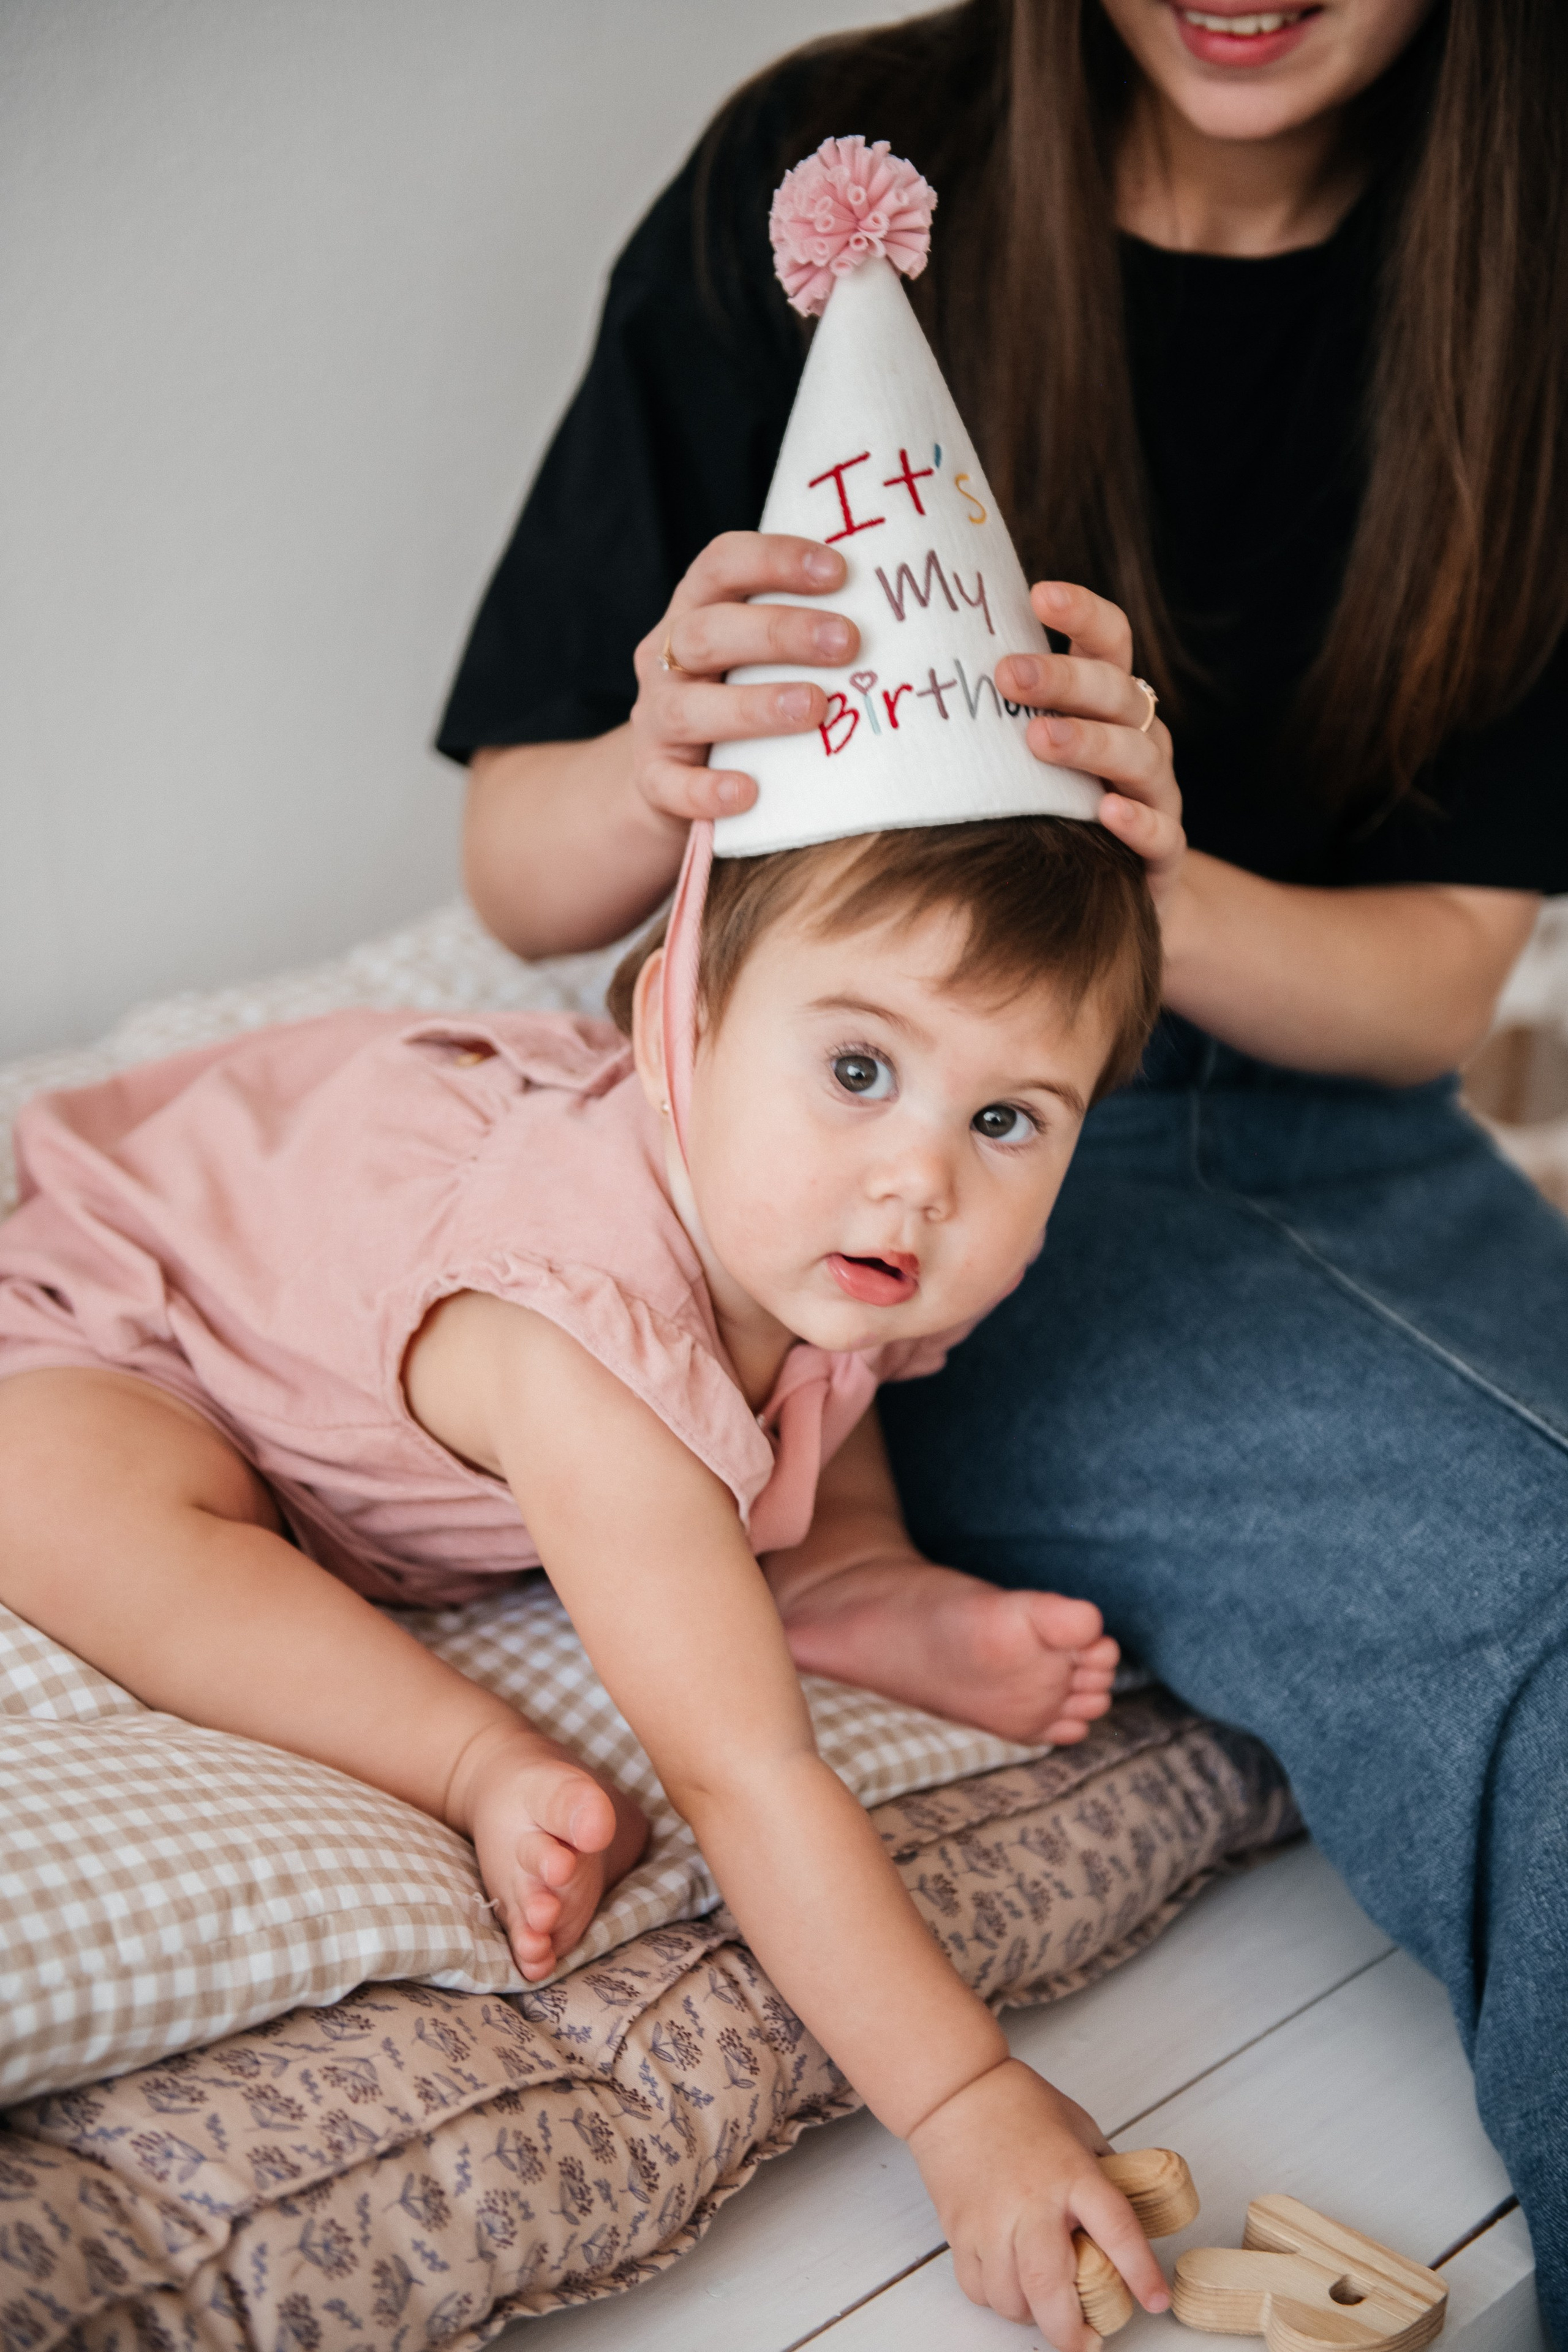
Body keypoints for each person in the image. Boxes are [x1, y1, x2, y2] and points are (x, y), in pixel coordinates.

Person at [437, 1, 1568, 2339]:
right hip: (988, 1195)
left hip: (1320, 1102)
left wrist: (1142, 883)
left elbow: (1440, 997)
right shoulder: (827, 169)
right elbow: (518, 872)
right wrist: (657, 760)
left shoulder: (1533, 277)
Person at [0, 807, 1167, 2349]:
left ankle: (840, 1574)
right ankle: (467, 1756)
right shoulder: (586, 1348)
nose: (919, 1176)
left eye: (1008, 1118)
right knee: (45, 1491)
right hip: (156, 1322)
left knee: (832, 1346)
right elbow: (743, 1773)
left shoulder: (827, 1229)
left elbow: (839, 1341)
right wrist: (962, 2098)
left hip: (456, 1304)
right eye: (860, 1070)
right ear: (676, 1024)